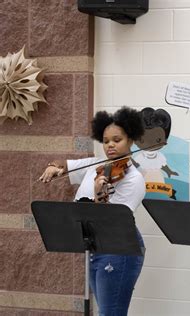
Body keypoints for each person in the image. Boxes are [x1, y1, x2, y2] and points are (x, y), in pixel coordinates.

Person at [39, 107, 146, 316]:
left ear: (131, 141)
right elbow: (66, 165)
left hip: (119, 248)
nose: (111, 145)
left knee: (110, 313)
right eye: (106, 141)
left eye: (117, 140)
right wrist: (55, 166)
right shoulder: (95, 165)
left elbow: (112, 220)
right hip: (94, 245)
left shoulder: (134, 179)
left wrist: (99, 195)